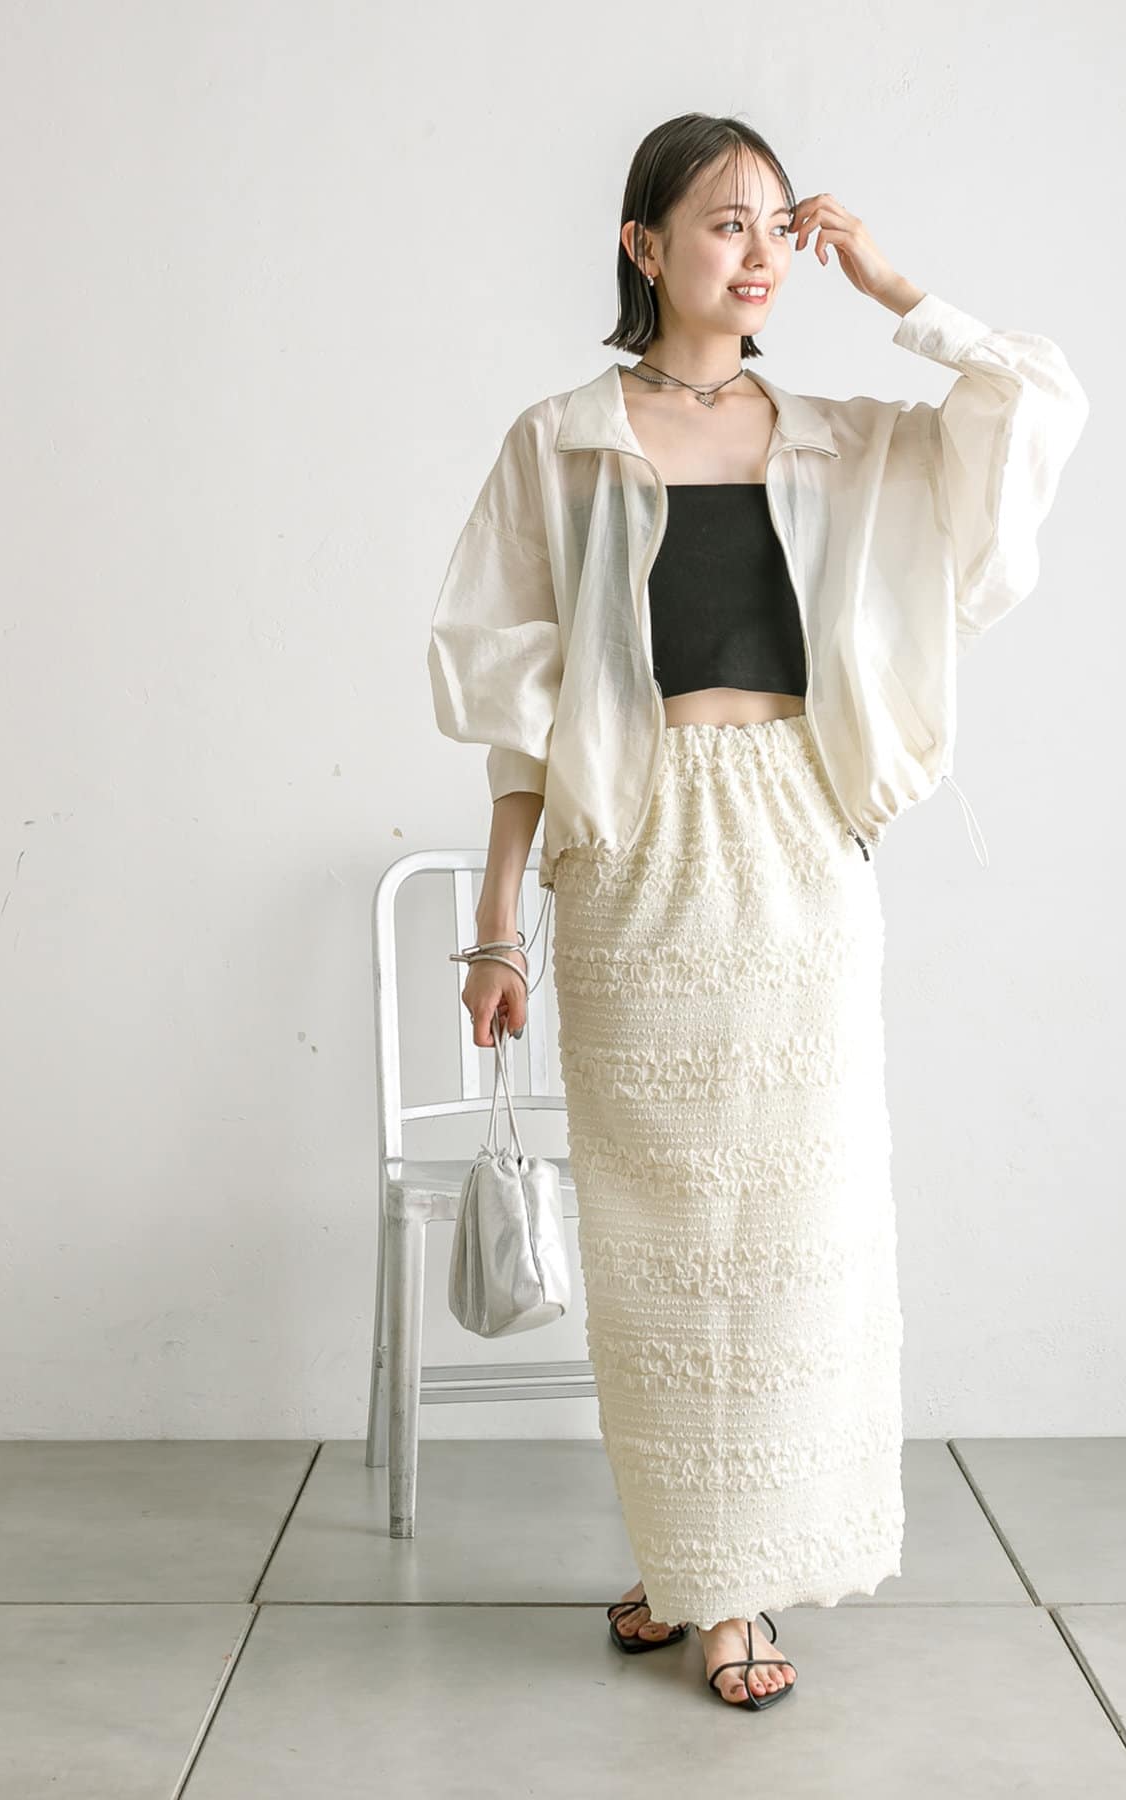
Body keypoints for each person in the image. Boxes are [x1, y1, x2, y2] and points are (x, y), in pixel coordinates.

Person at [430, 112, 1090, 1712]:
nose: (761, 252)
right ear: (644, 245)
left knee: (796, 1237)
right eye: (726, 221)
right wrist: (501, 929)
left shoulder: (844, 441)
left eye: (778, 224)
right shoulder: (562, 442)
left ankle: (742, 1588)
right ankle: (687, 1557)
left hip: (796, 845)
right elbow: (522, 716)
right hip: (631, 855)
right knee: (662, 1245)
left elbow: (1033, 404)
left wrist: (896, 289)